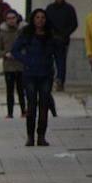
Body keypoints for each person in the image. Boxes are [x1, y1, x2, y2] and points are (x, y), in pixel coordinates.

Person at [12, 8, 57, 147]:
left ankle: (41, 136)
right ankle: (30, 136)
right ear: (33, 19)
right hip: (30, 74)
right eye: (37, 17)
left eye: (42, 17)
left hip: (46, 74)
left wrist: (60, 73)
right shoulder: (27, 34)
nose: (40, 20)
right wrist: (26, 60)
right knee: (31, 106)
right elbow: (15, 50)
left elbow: (58, 54)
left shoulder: (50, 35)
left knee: (44, 106)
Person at [45, 0, 78, 91]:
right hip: (50, 39)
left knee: (61, 62)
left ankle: (60, 82)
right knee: (48, 61)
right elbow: (46, 22)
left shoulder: (69, 8)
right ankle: (49, 80)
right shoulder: (50, 8)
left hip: (63, 40)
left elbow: (74, 24)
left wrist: (65, 34)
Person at [0, 9, 26, 119]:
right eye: (9, 18)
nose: (11, 20)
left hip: (21, 65)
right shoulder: (2, 33)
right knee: (9, 91)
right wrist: (5, 54)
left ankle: (24, 111)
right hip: (8, 66)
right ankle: (10, 113)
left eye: (13, 18)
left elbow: (27, 47)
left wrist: (20, 54)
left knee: (21, 90)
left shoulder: (22, 31)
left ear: (17, 18)